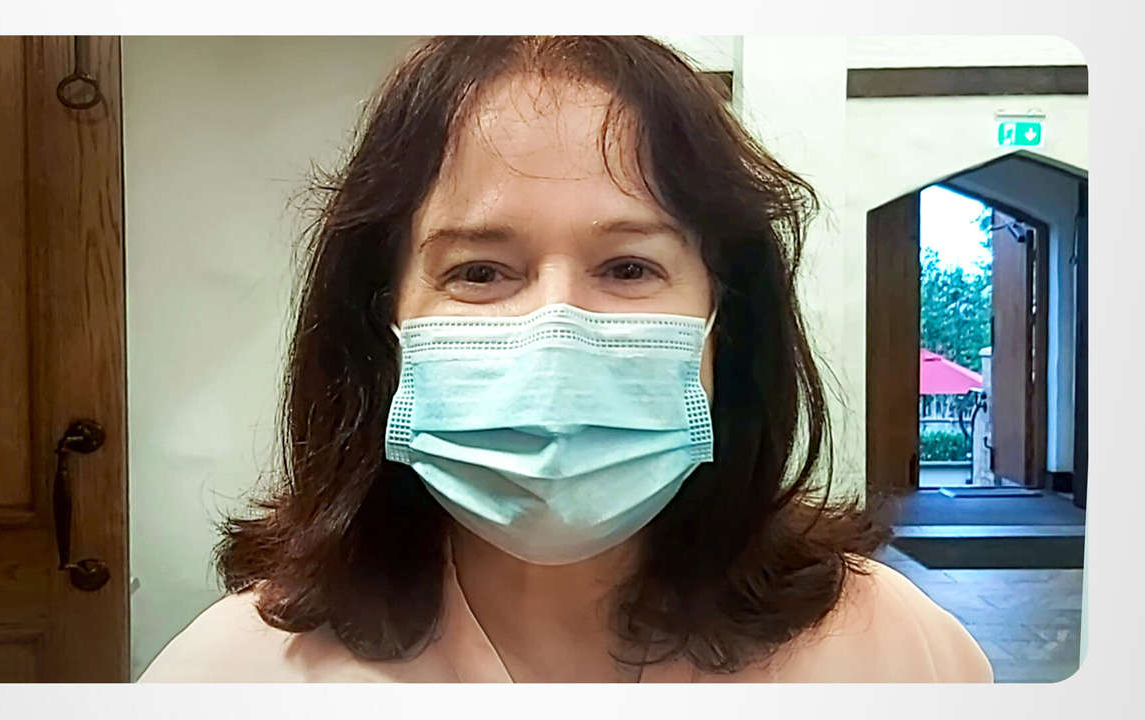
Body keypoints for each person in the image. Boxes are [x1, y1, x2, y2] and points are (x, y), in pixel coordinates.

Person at [139, 35, 992, 683]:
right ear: (381, 324)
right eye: (480, 272)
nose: (556, 335)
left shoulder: (895, 657)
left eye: (629, 268)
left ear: (725, 325)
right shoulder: (230, 676)